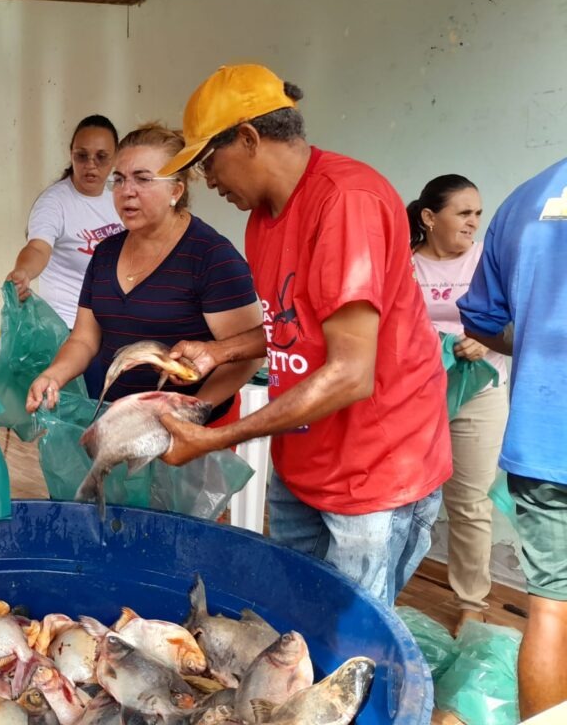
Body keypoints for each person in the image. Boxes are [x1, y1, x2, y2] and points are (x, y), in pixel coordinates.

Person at [157, 64, 452, 607]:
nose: (209, 181)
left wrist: (217, 437)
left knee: (353, 637)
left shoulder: (346, 201)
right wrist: (219, 350)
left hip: (374, 470)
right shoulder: (262, 217)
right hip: (304, 460)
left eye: (207, 162)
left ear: (247, 138)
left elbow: (349, 374)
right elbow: (291, 326)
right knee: (292, 618)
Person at [25, 123, 262, 422]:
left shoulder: (212, 257)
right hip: (122, 422)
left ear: (176, 189)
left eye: (143, 179)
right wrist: (54, 375)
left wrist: (189, 413)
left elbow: (247, 358)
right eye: (120, 180)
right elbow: (85, 339)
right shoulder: (105, 253)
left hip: (196, 431)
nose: (127, 192)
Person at [458, 159, 567, 720]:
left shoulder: (528, 197)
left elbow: (479, 318)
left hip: (547, 440)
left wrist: (535, 348)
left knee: (550, 609)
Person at [408, 174, 508, 635]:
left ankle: (472, 601)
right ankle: (390, 586)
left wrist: (483, 342)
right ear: (429, 218)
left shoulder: (489, 262)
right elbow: (389, 327)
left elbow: (513, 320)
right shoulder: (405, 265)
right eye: (463, 213)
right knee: (405, 497)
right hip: (417, 396)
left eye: (477, 214)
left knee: (470, 502)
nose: (473, 223)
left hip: (480, 395)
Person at [6, 115, 123, 395]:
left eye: (101, 157)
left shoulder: (118, 197)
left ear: (116, 158)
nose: (90, 165)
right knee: (84, 418)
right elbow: (38, 248)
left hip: (114, 328)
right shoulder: (55, 202)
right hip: (71, 331)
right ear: (71, 154)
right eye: (81, 156)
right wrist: (24, 272)